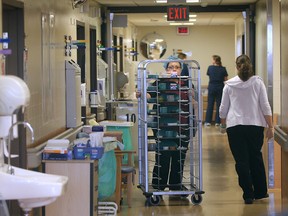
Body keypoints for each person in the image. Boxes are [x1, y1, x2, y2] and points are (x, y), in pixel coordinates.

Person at [219, 54, 274, 205]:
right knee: (255, 157)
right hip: (255, 126)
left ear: (237, 67)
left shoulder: (229, 85)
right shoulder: (258, 83)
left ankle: (248, 194)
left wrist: (223, 125)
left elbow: (223, 108)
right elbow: (265, 105)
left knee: (241, 161)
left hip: (235, 126)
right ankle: (260, 192)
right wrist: (271, 126)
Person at [136, 55, 196, 192]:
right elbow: (149, 94)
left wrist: (193, 99)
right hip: (162, 126)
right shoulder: (159, 82)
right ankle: (159, 186)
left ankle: (176, 185)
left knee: (179, 157)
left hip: (182, 127)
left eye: (177, 67)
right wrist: (141, 94)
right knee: (163, 156)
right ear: (166, 69)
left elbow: (193, 104)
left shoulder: (186, 84)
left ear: (181, 69)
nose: (174, 69)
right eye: (170, 67)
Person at [204, 55, 228, 127]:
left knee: (210, 104)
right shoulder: (223, 69)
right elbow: (226, 79)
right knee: (219, 105)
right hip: (220, 87)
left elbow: (209, 75)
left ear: (214, 60)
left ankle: (208, 121)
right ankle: (218, 122)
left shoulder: (210, 68)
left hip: (211, 87)